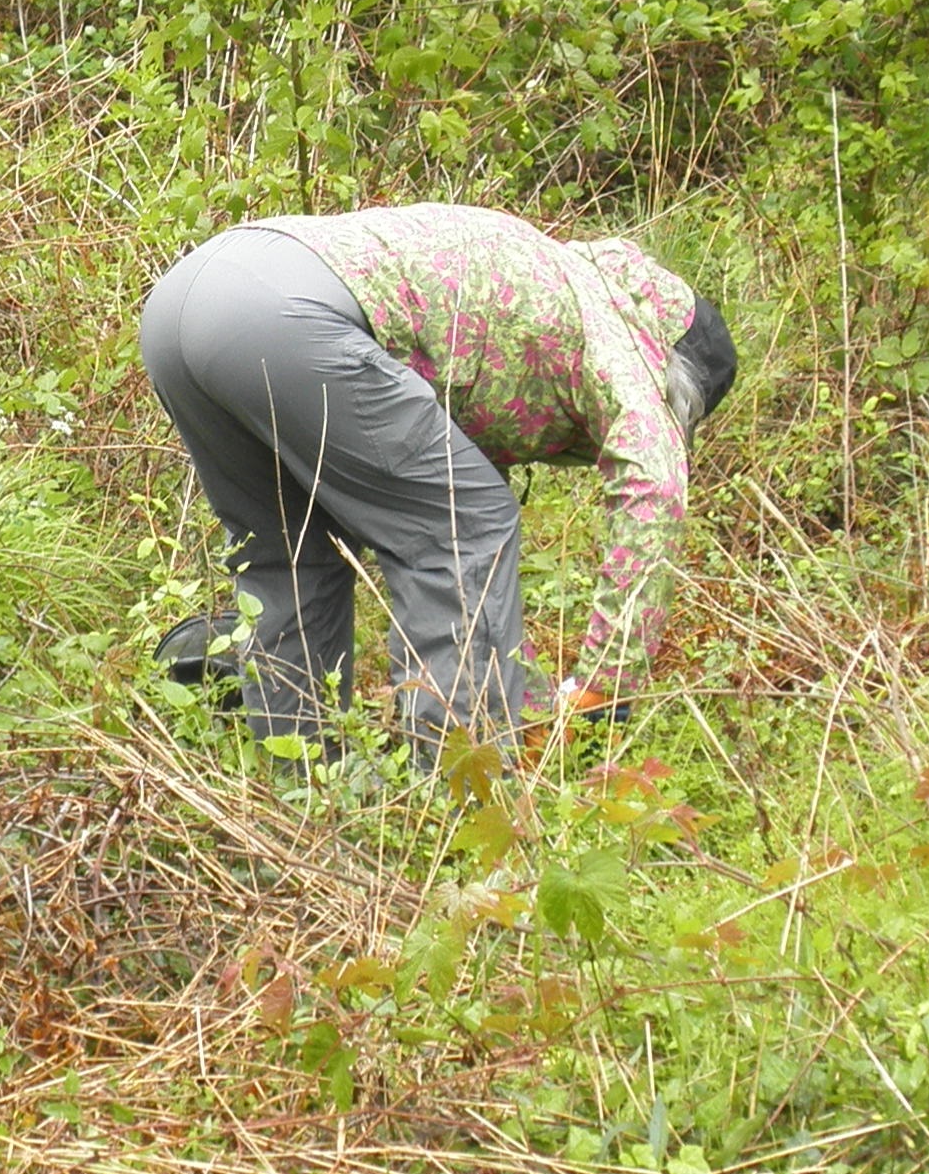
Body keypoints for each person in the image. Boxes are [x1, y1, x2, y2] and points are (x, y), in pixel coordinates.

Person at [138, 204, 734, 759]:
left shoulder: (551, 286)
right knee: (463, 527)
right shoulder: (629, 342)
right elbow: (654, 493)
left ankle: (306, 799)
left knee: (289, 559)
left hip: (183, 304)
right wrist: (609, 688)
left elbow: (473, 571)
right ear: (674, 381)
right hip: (288, 319)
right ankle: (455, 800)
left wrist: (526, 700)